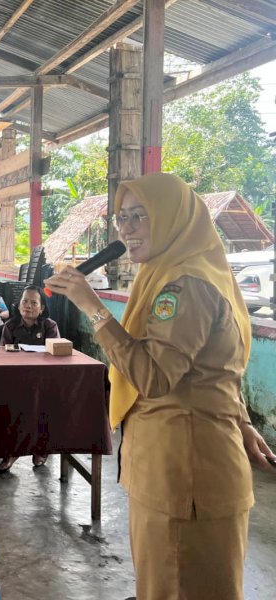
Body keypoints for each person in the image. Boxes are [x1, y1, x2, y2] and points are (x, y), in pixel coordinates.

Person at [44, 173, 276, 600]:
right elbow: (218, 364)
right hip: (178, 463)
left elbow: (153, 377)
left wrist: (92, 307)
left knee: (177, 585)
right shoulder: (182, 272)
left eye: (139, 216)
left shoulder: (184, 287)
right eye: (121, 218)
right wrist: (239, 419)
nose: (127, 228)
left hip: (184, 476)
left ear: (172, 218)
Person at [0, 285, 60, 474]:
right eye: (25, 301)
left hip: (43, 381)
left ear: (41, 308)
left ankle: (41, 449)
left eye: (34, 302)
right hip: (17, 379)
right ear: (18, 305)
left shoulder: (50, 326)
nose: (28, 306)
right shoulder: (11, 326)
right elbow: (3, 355)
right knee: (12, 407)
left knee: (45, 407)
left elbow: (56, 355)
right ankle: (12, 451)